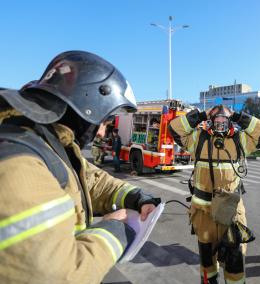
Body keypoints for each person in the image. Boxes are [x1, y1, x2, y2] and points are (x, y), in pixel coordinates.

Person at [0, 51, 161, 283]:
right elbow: (60, 275)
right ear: (86, 109)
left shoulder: (50, 144)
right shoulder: (19, 163)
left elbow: (92, 179)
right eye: (103, 122)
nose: (103, 132)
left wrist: (137, 196)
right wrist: (116, 229)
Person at [169, 105, 260, 284]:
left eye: (224, 119)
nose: (220, 122)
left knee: (234, 262)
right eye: (217, 119)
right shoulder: (198, 139)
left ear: (229, 121)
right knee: (207, 264)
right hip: (203, 213)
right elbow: (174, 128)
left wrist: (238, 115)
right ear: (211, 121)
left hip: (231, 215)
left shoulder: (240, 140)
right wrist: (201, 114)